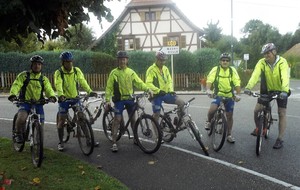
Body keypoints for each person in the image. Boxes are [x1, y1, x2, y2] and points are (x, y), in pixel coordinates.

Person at [105, 51, 153, 152]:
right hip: (119, 100)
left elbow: (139, 82)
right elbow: (109, 87)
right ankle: (114, 141)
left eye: (124, 59)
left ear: (127, 60)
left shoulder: (131, 72)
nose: (122, 61)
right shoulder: (114, 73)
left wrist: (147, 89)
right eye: (120, 59)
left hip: (130, 99)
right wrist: (107, 100)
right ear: (118, 61)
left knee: (133, 121)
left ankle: (135, 138)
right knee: (117, 119)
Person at [244, 43, 290, 149]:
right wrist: (248, 87)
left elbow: (285, 76)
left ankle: (280, 139)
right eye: (264, 54)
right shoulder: (262, 62)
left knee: (281, 113)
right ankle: (259, 128)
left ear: (274, 52)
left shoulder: (282, 62)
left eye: (268, 53)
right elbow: (255, 75)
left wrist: (284, 91)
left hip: (281, 90)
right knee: (257, 110)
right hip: (267, 90)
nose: (266, 55)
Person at [54, 51, 98, 151]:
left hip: (75, 98)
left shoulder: (76, 71)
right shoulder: (59, 72)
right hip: (64, 99)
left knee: (81, 117)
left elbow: (83, 81)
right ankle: (61, 142)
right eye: (67, 62)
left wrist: (90, 91)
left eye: (70, 62)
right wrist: (60, 95)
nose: (69, 64)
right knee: (61, 120)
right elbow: (58, 84)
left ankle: (89, 140)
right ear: (63, 63)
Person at [8, 55, 57, 143]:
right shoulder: (24, 75)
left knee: (41, 126)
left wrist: (52, 96)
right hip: (25, 102)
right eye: (35, 64)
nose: (37, 66)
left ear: (41, 66)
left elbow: (49, 89)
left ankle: (39, 147)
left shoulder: (43, 79)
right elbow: (16, 85)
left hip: (38, 103)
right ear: (31, 65)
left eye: (39, 64)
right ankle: (18, 134)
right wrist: (13, 95)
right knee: (22, 118)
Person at [205, 53, 241, 143]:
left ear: (229, 62)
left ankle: (229, 134)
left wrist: (238, 94)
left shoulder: (232, 70)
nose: (225, 62)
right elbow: (210, 80)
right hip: (218, 94)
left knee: (229, 115)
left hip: (229, 96)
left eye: (227, 60)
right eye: (223, 60)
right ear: (220, 61)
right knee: (212, 109)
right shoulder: (216, 69)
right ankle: (209, 121)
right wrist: (208, 89)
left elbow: (237, 82)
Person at [145, 50, 185, 127]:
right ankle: (157, 137)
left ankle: (179, 122)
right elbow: (148, 83)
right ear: (156, 59)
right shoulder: (151, 70)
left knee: (181, 103)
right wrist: (158, 91)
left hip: (166, 94)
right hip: (156, 95)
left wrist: (171, 90)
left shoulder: (165, 69)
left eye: (164, 60)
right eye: (161, 60)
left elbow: (169, 81)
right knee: (156, 115)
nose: (163, 62)